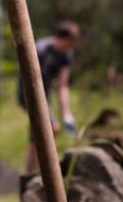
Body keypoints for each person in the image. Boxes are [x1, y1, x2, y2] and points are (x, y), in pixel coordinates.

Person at [19, 20, 80, 173]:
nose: (71, 46)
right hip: (27, 93)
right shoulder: (40, 50)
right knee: (48, 128)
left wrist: (66, 114)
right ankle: (34, 172)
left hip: (44, 95)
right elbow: (30, 81)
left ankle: (36, 171)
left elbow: (62, 86)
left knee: (45, 132)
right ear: (62, 38)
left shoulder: (65, 56)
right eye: (70, 42)